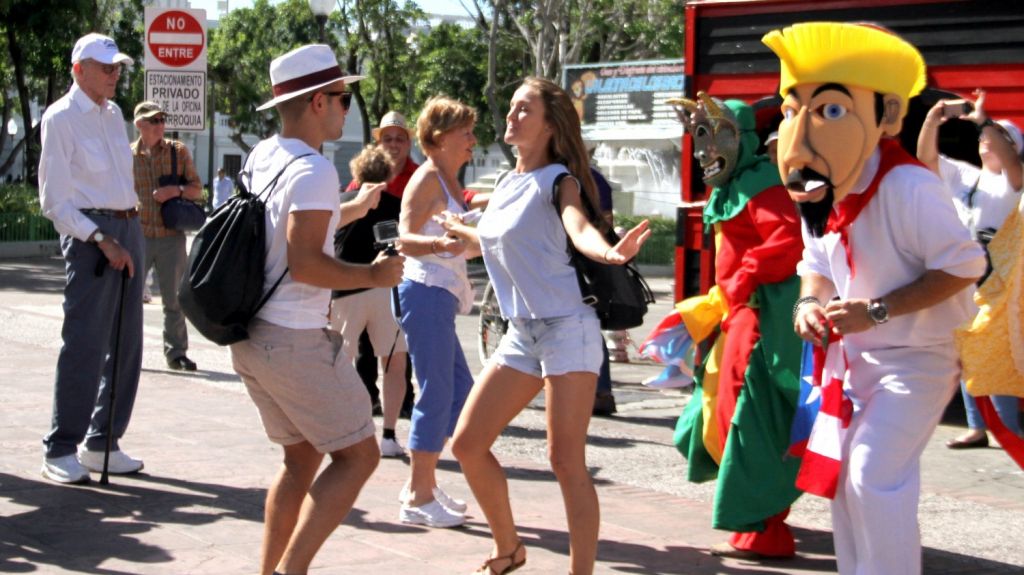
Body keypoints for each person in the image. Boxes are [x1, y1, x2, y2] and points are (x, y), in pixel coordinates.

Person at [765, 22, 986, 574]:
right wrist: (806, 305)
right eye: (795, 110)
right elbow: (813, 265)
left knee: (871, 474)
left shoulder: (909, 186)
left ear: (884, 113)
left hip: (918, 362)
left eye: (830, 108)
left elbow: (965, 265)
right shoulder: (819, 184)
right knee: (847, 484)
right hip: (854, 364)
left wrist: (878, 310)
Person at [450, 77, 650, 575]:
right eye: (512, 108)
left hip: (568, 329)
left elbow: (577, 228)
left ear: (549, 125)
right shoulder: (506, 183)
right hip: (521, 333)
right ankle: (509, 548)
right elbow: (495, 242)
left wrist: (611, 252)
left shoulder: (560, 179)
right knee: (468, 445)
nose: (511, 117)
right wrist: (454, 236)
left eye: (524, 110)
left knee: (565, 462)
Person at [226, 44, 404, 575]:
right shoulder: (316, 170)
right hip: (296, 337)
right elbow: (304, 262)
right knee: (360, 456)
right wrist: (372, 276)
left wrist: (355, 208)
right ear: (319, 101)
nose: (348, 108)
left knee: (301, 458)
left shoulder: (265, 155)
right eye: (344, 97)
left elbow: (288, 229)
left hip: (251, 334)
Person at [668, 93, 804, 559]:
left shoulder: (762, 182)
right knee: (713, 419)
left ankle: (764, 524)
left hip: (760, 320)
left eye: (719, 136)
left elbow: (787, 241)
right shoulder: (732, 187)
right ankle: (757, 513)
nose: (708, 150)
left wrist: (745, 279)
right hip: (737, 317)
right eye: (701, 137)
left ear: (742, 139)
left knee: (749, 421)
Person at [37, 33, 144, 484]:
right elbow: (54, 201)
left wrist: (126, 232)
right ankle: (61, 447)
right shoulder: (60, 118)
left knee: (126, 344)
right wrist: (101, 238)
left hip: (129, 226)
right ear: (79, 69)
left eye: (117, 66)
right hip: (92, 237)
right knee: (85, 343)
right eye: (106, 67)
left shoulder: (115, 112)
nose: (114, 74)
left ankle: (103, 441)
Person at [916, 91, 1024, 447]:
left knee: (995, 345)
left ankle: (1008, 427)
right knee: (966, 342)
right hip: (965, 271)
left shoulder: (1012, 180)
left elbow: (1011, 162)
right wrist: (933, 119)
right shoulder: (966, 176)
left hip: (1002, 278)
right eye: (981, 138)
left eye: (993, 138)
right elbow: (926, 158)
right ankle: (978, 426)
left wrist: (982, 120)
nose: (984, 142)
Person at [395, 96, 479, 529]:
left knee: (459, 392)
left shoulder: (446, 175)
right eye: (465, 133)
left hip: (440, 294)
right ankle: (417, 493)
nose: (472, 141)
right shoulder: (427, 177)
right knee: (436, 392)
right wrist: (438, 245)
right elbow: (403, 239)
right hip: (424, 290)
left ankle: (422, 481)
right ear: (441, 137)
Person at [331, 145, 410, 458]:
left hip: (344, 287)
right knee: (394, 361)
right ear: (390, 175)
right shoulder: (397, 205)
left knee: (338, 363)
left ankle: (340, 430)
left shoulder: (340, 203)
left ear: (356, 173)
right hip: (385, 290)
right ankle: (389, 434)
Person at [345, 111, 419, 420]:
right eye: (387, 138)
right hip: (365, 272)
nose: (393, 144)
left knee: (400, 341)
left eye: (399, 139)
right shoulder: (360, 181)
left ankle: (403, 400)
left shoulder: (419, 175)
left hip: (405, 266)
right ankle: (368, 396)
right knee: (364, 341)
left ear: (408, 143)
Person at [130, 100, 203, 372]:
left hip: (171, 237)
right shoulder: (127, 155)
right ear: (140, 125)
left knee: (174, 300)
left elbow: (198, 191)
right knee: (130, 299)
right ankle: (128, 353)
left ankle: (176, 353)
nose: (161, 125)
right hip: (138, 236)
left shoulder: (177, 152)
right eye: (155, 120)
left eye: (162, 120)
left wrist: (176, 191)